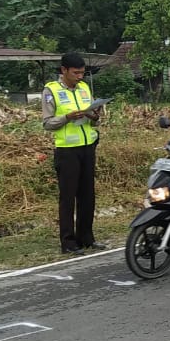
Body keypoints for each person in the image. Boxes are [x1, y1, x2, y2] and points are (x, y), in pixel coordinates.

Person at [42, 52, 105, 254]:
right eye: (76, 73)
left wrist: (95, 115)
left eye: (82, 73)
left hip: (88, 146)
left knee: (88, 196)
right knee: (68, 197)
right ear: (64, 70)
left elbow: (95, 119)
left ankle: (86, 237)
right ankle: (68, 242)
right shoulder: (51, 90)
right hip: (67, 150)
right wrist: (67, 117)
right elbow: (47, 123)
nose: (80, 77)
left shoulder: (85, 88)